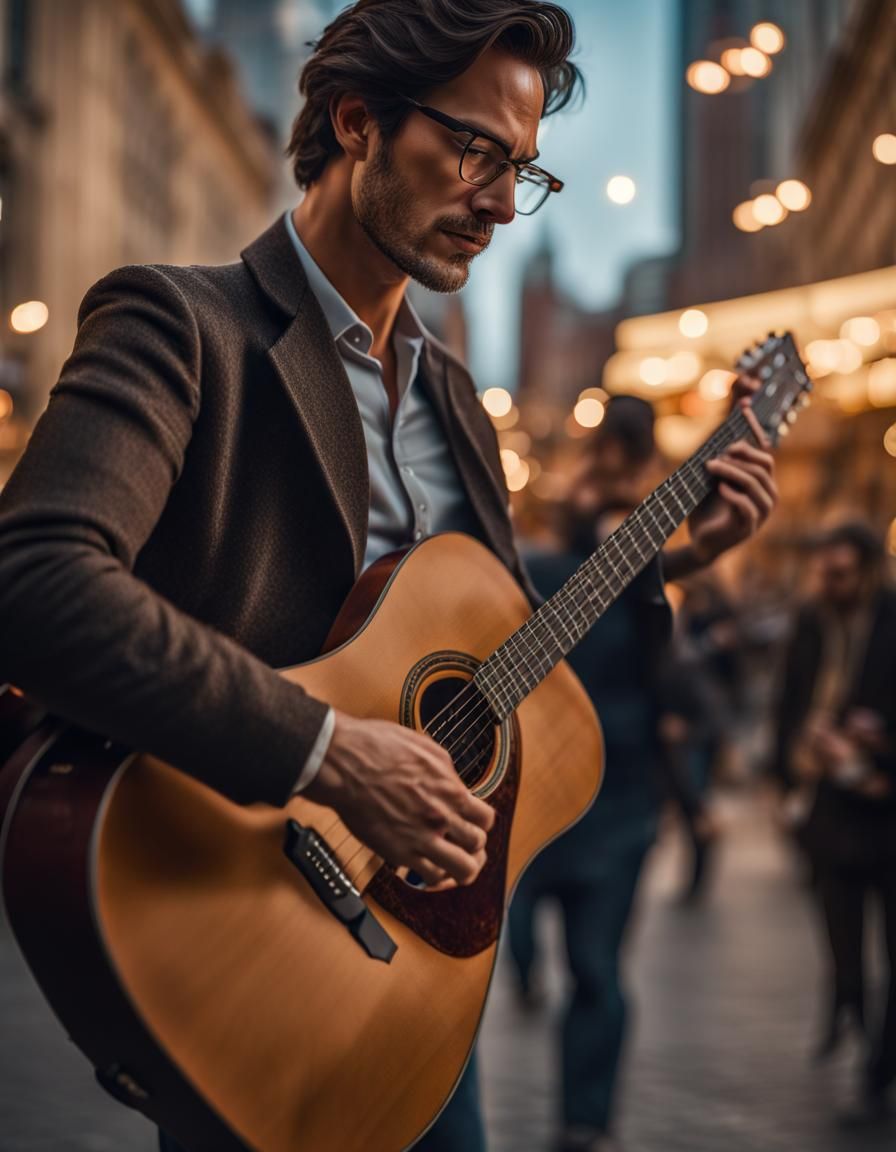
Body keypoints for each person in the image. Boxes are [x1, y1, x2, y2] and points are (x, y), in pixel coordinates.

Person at [0, 2, 777, 1148]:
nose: (501, 202)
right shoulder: (181, 322)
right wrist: (331, 753)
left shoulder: (455, 399)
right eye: (473, 149)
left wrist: (662, 561)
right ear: (356, 122)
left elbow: (488, 640)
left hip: (419, 959)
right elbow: (35, 580)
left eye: (522, 170)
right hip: (248, 932)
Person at [506, 398, 748, 1152]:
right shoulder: (544, 566)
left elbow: (671, 667)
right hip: (531, 798)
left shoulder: (647, 579)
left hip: (618, 798)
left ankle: (586, 1123)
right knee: (531, 942)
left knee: (597, 968)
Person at [770, 520, 896, 1126]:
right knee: (840, 931)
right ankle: (849, 1010)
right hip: (828, 803)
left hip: (884, 801)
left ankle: (881, 1066)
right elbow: (788, 699)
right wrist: (787, 772)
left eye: (842, 572)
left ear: (868, 569)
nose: (831, 582)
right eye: (825, 571)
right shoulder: (811, 619)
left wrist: (875, 745)